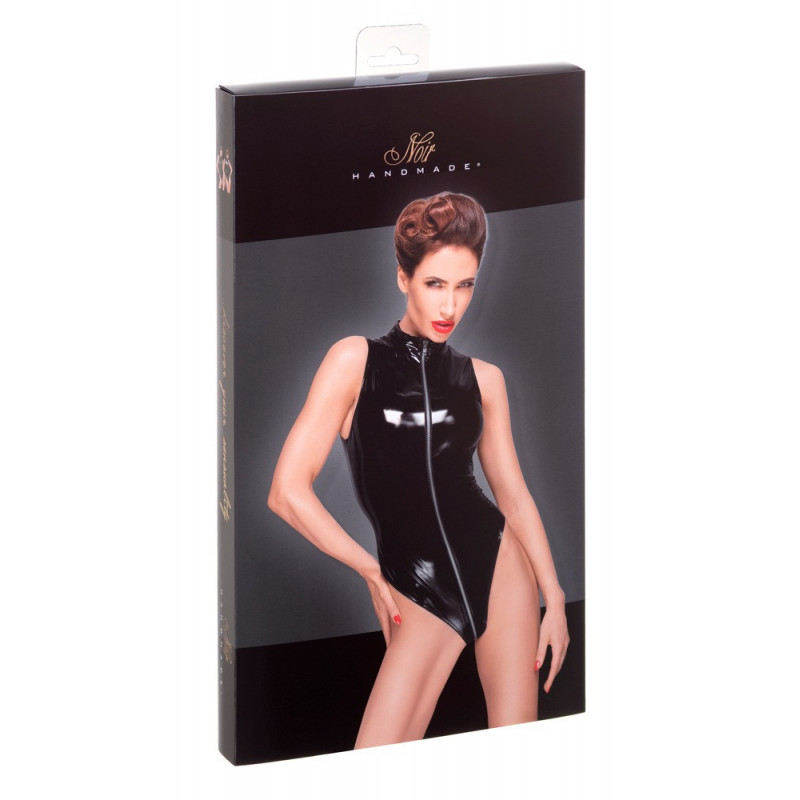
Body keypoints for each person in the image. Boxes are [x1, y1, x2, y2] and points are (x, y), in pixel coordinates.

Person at [268, 192, 569, 749]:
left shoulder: (485, 380)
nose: (450, 305)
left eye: (465, 285)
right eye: (435, 283)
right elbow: (287, 492)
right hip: (418, 586)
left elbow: (513, 495)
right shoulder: (353, 361)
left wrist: (554, 599)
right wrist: (370, 571)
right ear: (403, 277)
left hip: (503, 571)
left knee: (519, 757)